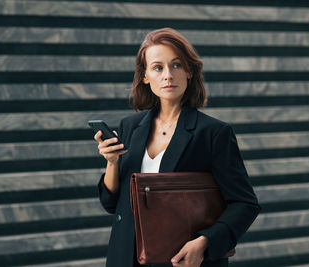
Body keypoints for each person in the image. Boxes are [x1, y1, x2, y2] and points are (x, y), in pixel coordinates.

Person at [94, 27, 261, 267]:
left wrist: (204, 243)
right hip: (125, 258)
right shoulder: (130, 127)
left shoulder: (213, 133)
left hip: (182, 261)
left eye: (177, 65)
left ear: (190, 71)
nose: (168, 75)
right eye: (158, 67)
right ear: (145, 76)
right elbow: (111, 204)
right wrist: (112, 163)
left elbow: (245, 204)